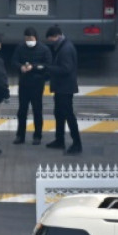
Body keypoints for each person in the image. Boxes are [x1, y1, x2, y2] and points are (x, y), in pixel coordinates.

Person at [44, 26, 81, 155]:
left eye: (51, 39)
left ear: (57, 36)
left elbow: (66, 68)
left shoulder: (66, 49)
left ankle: (77, 144)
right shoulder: (63, 45)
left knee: (68, 115)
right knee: (59, 114)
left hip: (65, 89)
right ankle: (59, 140)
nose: (50, 42)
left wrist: (49, 68)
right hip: (60, 88)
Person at [11, 27, 52, 145]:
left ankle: (37, 136)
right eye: (27, 39)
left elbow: (47, 65)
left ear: (36, 38)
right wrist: (20, 67)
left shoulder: (44, 49)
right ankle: (20, 135)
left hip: (37, 85)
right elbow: (14, 62)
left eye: (31, 39)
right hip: (24, 84)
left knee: (37, 110)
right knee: (22, 111)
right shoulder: (20, 48)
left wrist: (33, 67)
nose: (29, 41)